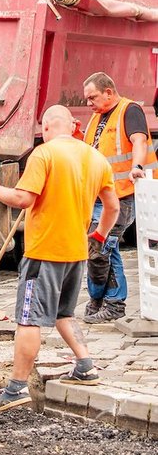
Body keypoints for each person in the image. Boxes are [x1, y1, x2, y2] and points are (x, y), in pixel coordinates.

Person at [0, 104, 119, 414]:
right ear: (72, 125)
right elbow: (113, 207)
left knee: (29, 319)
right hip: (76, 253)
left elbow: (22, 199)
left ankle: (15, 389)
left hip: (44, 253)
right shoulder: (95, 158)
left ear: (45, 127)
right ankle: (85, 366)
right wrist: (98, 236)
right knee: (63, 313)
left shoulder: (45, 154)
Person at [80, 72, 156, 323]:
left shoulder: (129, 110)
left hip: (123, 193)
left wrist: (137, 166)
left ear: (108, 92)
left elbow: (139, 142)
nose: (88, 103)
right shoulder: (96, 118)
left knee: (105, 246)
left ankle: (113, 303)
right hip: (99, 194)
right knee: (97, 246)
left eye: (92, 97)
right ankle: (100, 300)